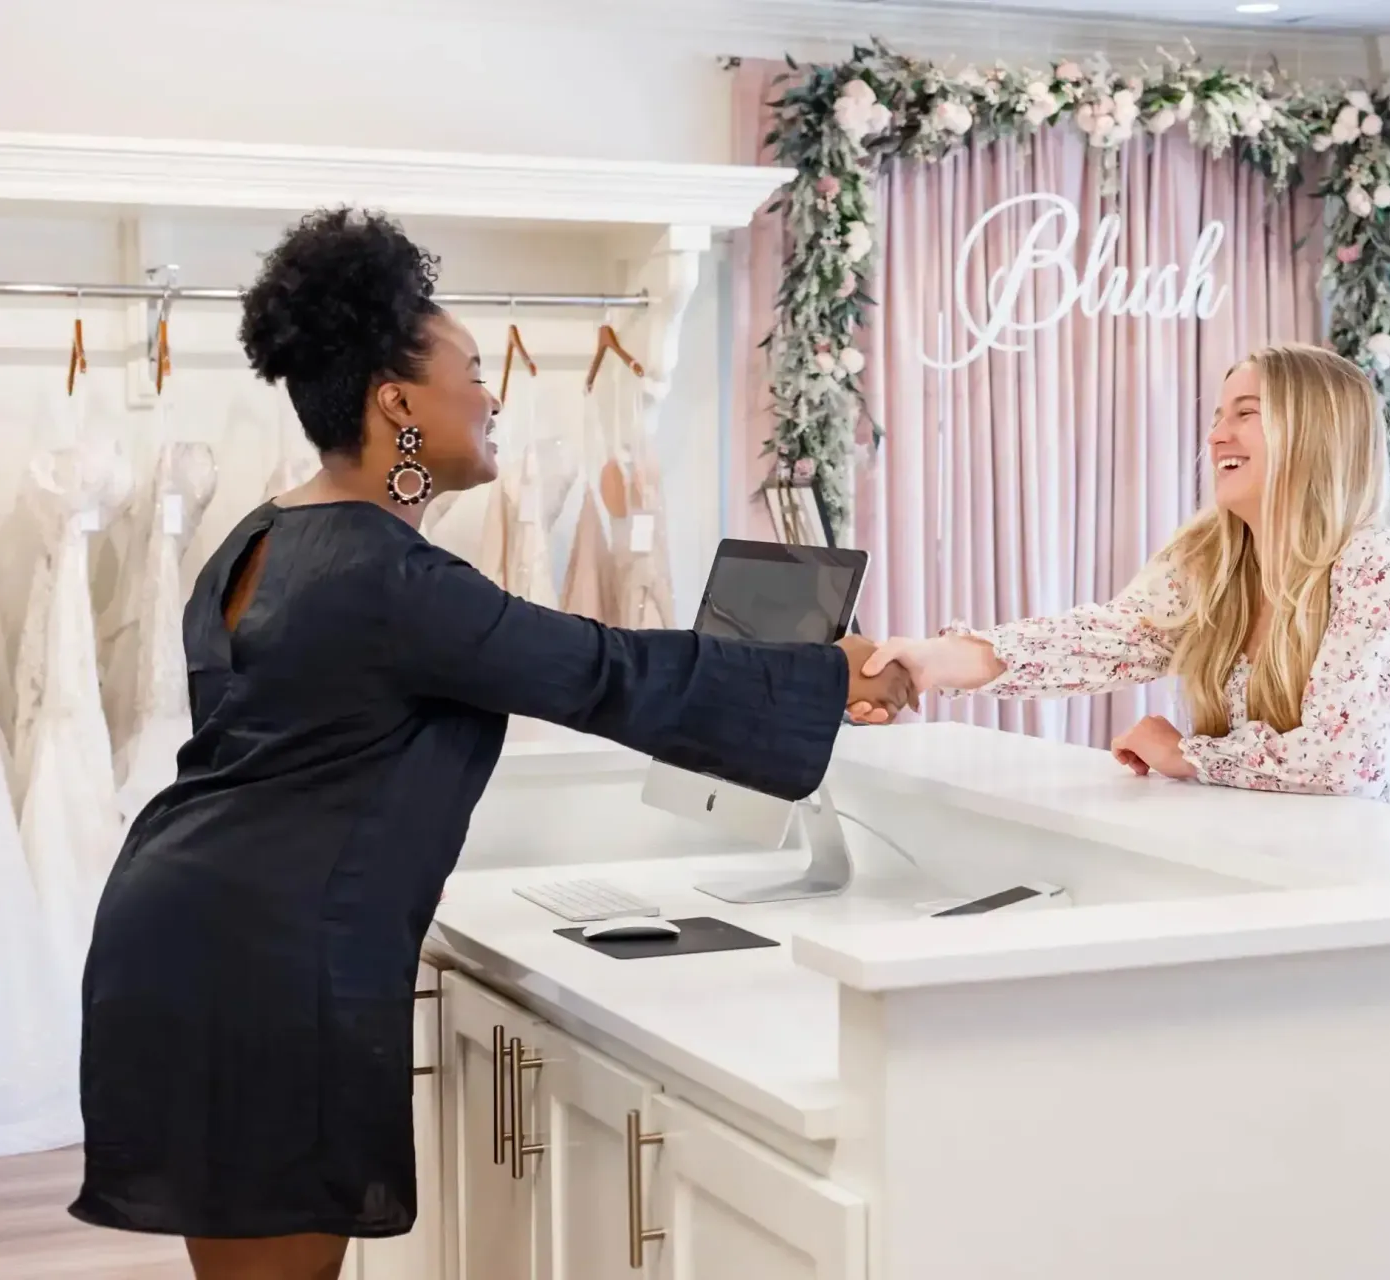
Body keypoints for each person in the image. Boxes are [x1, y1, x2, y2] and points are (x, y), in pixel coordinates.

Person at [68, 208, 916, 1280]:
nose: (493, 390)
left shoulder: (266, 536)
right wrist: (831, 675)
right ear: (397, 400)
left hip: (187, 933)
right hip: (265, 972)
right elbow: (603, 669)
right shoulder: (388, 579)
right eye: (470, 368)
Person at [859, 344, 1390, 798]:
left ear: (1317, 432)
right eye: (1217, 416)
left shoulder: (1379, 564)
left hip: (1339, 889)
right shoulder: (1210, 557)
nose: (1216, 435)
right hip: (1234, 859)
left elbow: (1343, 760)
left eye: (1246, 414)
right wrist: (935, 661)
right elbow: (1098, 642)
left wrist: (1187, 755)